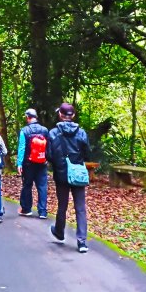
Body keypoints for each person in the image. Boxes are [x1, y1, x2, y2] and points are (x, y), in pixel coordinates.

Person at [47, 103, 91, 253]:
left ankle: (59, 232)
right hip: (77, 172)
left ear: (60, 115)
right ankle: (82, 242)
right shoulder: (82, 133)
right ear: (73, 115)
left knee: (62, 205)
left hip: (61, 174)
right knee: (80, 208)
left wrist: (59, 164)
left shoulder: (53, 133)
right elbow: (87, 152)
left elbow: (49, 155)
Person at [17, 108, 49, 218]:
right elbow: (48, 146)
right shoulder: (45, 130)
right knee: (42, 186)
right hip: (42, 163)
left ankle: (26, 209)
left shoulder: (24, 130)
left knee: (27, 185)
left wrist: (19, 163)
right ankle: (43, 212)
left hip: (28, 164)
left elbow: (22, 148)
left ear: (28, 117)